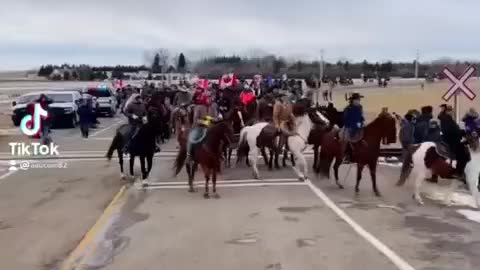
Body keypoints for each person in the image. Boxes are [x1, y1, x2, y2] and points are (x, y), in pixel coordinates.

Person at [341, 92, 365, 161]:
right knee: (347, 138)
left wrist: (361, 121)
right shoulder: (347, 109)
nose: (359, 101)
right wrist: (353, 125)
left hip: (358, 125)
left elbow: (360, 116)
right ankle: (347, 155)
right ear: (353, 100)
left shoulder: (360, 107)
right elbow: (345, 120)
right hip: (349, 126)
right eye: (357, 99)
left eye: (359, 99)